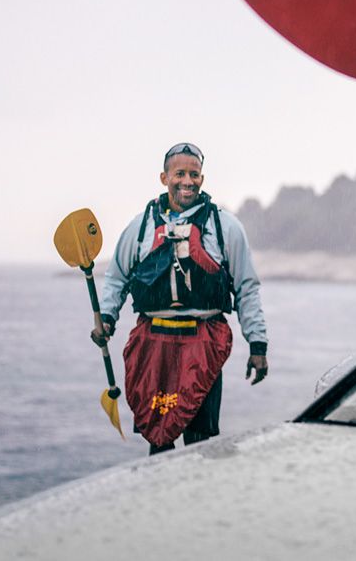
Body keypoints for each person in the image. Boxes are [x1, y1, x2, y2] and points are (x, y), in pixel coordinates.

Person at [91, 142, 268, 454]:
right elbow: (116, 278)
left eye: (195, 174)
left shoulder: (225, 227)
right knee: (158, 437)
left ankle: (198, 498)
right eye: (180, 174)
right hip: (153, 344)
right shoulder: (141, 227)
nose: (188, 181)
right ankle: (161, 499)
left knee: (200, 439)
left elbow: (246, 288)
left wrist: (258, 344)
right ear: (164, 178)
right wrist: (107, 318)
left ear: (202, 178)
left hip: (204, 344)